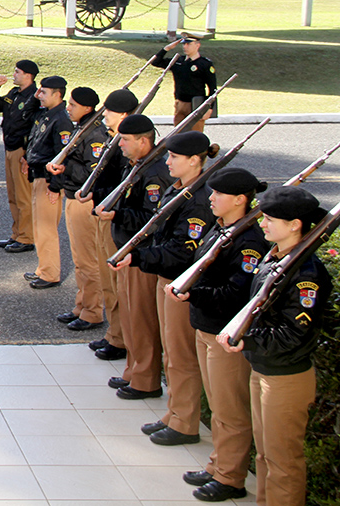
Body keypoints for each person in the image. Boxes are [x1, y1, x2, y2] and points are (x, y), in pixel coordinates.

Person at [218, 186, 334, 506]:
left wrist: (247, 339)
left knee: (283, 461)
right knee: (266, 455)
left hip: (285, 376)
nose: (262, 224)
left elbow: (292, 333)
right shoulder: (278, 257)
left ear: (295, 224)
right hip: (265, 368)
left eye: (270, 219)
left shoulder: (306, 273)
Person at [169, 167, 269, 502]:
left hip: (222, 332)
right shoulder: (222, 226)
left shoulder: (249, 242)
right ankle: (218, 465)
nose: (210, 198)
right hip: (205, 325)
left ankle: (230, 476)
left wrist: (193, 294)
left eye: (218, 194)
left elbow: (235, 294)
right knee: (217, 405)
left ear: (240, 200)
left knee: (230, 410)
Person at [112, 131, 217, 440]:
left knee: (181, 356)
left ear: (195, 161)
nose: (167, 161)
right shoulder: (179, 187)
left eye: (174, 157)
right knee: (171, 353)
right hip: (166, 278)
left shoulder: (199, 200)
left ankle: (184, 422)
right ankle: (174, 412)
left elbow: (181, 251)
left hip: (180, 282)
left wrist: (138, 257)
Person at [94, 113, 173, 400]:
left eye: (126, 140)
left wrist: (117, 215)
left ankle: (145, 379)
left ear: (143, 141)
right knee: (129, 316)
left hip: (141, 254)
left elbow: (152, 219)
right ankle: (133, 370)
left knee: (141, 320)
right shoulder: (138, 165)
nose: (121, 144)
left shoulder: (155, 173)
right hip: (127, 251)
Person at [83, 89, 138, 361]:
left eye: (110, 110)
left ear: (124, 115)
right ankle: (113, 333)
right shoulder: (112, 137)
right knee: (108, 282)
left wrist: (99, 194)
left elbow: (122, 186)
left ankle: (121, 339)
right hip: (104, 211)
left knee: (117, 286)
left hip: (115, 217)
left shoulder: (127, 145)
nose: (104, 114)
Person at [47, 86, 106, 328]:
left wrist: (66, 167)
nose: (68, 108)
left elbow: (94, 174)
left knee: (88, 261)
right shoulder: (82, 127)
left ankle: (92, 312)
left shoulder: (95, 134)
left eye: (73, 105)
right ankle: (81, 306)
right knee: (79, 260)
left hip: (84, 201)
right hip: (72, 197)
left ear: (88, 108)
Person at [22, 75, 73, 289]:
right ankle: (42, 268)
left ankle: (50, 273)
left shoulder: (61, 119)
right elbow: (26, 115)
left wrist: (54, 186)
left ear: (57, 94)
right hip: (38, 176)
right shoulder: (46, 113)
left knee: (46, 229)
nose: (39, 95)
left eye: (43, 92)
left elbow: (62, 156)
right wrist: (35, 98)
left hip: (48, 180)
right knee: (38, 227)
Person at [0, 60, 41, 253]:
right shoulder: (14, 93)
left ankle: (27, 237)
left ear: (28, 75)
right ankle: (17, 233)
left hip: (21, 150)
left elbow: (35, 130)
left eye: (17, 72)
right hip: (10, 147)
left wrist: (28, 154)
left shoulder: (35, 98)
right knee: (13, 196)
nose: (14, 75)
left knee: (24, 197)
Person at [150, 32, 216, 133]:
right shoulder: (178, 61)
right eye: (184, 44)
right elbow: (155, 62)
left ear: (197, 45)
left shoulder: (204, 64)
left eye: (188, 44)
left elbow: (213, 88)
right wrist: (166, 49)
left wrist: (210, 108)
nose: (185, 47)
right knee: (178, 135)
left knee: (195, 135)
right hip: (180, 103)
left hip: (196, 105)